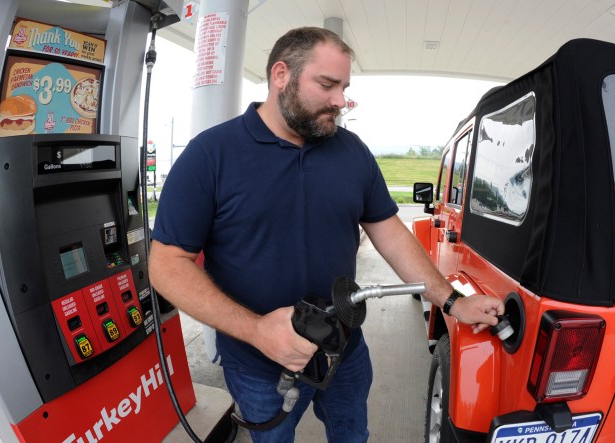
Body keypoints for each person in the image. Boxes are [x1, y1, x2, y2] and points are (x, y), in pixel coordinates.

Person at [148, 26, 504, 443]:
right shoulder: (210, 155)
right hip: (258, 362)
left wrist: (452, 301)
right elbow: (166, 265)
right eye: (327, 84)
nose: (341, 100)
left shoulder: (351, 151)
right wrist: (257, 330)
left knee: (353, 435)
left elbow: (389, 232)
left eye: (345, 87)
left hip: (345, 352)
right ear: (281, 75)